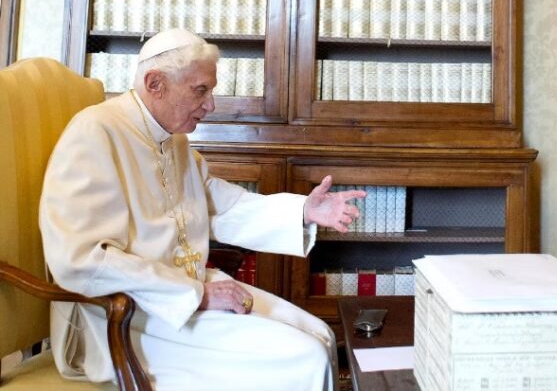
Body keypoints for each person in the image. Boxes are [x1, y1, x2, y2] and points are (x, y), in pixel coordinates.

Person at [39, 28, 366, 390]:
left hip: (182, 296)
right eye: (201, 90)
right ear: (155, 83)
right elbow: (79, 260)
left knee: (320, 335)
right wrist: (196, 295)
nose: (211, 104)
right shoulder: (95, 132)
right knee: (305, 357)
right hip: (126, 314)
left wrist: (304, 211)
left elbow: (216, 206)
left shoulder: (171, 138)